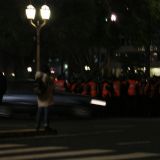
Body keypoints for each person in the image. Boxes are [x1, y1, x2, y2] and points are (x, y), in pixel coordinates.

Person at [35, 65, 54, 132]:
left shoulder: (37, 75)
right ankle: (46, 125)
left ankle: (37, 125)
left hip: (40, 95)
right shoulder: (46, 77)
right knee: (46, 111)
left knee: (39, 111)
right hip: (46, 96)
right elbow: (51, 83)